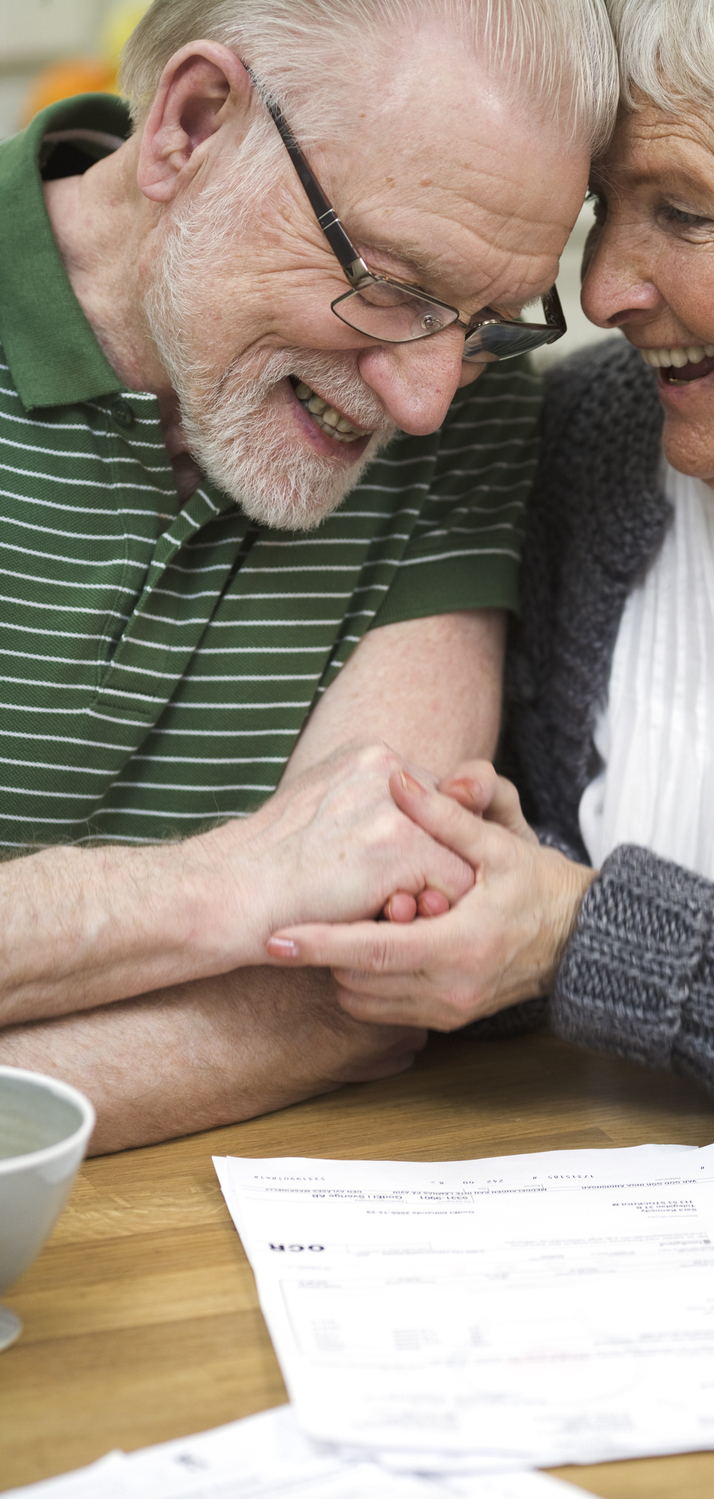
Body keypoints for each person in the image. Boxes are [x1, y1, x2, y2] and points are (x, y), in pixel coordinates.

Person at [267, 0, 714, 1320]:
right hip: (548, 1302)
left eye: (685, 212)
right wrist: (471, 903)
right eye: (609, 207)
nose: (604, 288)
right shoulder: (583, 450)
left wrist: (588, 932)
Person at [0, 0, 617, 1154]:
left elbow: (356, 985)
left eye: (491, 324)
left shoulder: (471, 416)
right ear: (192, 121)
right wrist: (229, 885)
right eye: (388, 284)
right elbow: (293, 906)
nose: (425, 398)